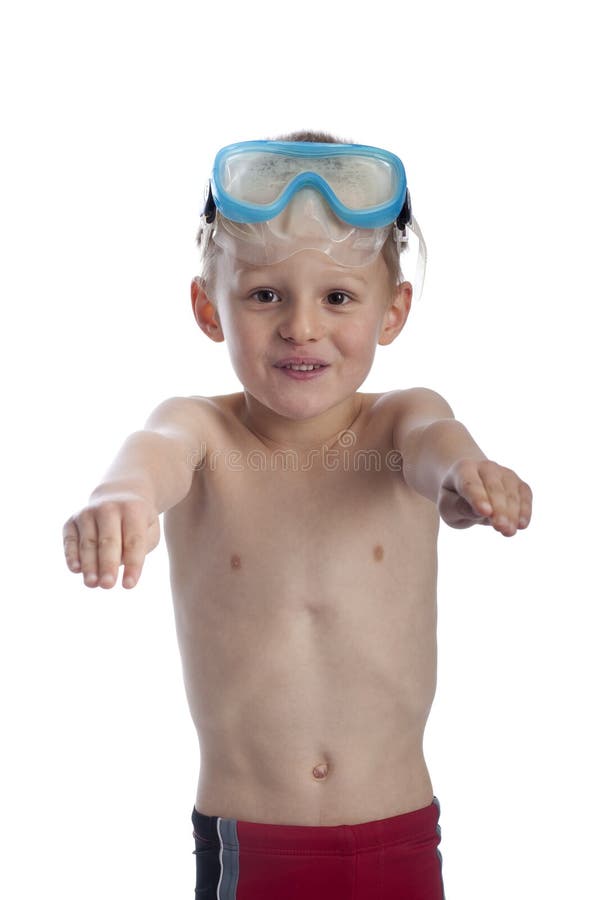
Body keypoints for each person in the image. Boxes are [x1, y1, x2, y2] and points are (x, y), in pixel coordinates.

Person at [62, 130, 533, 899]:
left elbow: (434, 445)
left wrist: (468, 475)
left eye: (338, 297)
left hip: (398, 835)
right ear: (207, 309)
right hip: (254, 843)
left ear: (393, 311)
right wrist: (120, 498)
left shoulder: (399, 423)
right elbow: (154, 451)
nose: (300, 326)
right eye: (264, 295)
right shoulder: (204, 434)